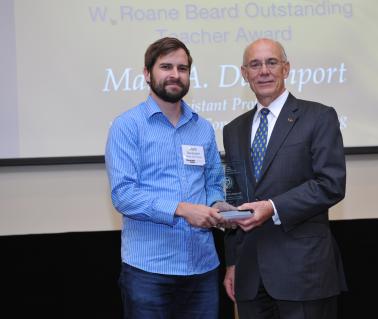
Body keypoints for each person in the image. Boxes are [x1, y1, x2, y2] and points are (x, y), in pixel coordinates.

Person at [222, 38, 347, 319]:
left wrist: (273, 207)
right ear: (244, 74)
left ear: (286, 68)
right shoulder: (232, 130)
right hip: (250, 276)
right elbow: (234, 198)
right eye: (255, 64)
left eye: (271, 62)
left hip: (303, 273)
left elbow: (331, 184)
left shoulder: (318, 117)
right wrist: (232, 263)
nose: (263, 71)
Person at [105, 37, 229, 319]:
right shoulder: (127, 126)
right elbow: (123, 194)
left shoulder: (203, 128)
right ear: (147, 74)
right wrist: (183, 209)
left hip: (202, 267)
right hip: (149, 270)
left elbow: (213, 182)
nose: (175, 74)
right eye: (166, 67)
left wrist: (219, 206)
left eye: (182, 68)